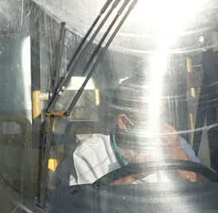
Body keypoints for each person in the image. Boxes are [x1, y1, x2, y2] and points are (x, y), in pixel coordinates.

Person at [66, 76, 206, 185]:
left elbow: (205, 196)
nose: (160, 128)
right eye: (150, 121)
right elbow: (85, 208)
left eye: (161, 118)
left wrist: (177, 151)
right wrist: (130, 175)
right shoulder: (91, 152)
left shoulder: (176, 144)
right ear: (124, 122)